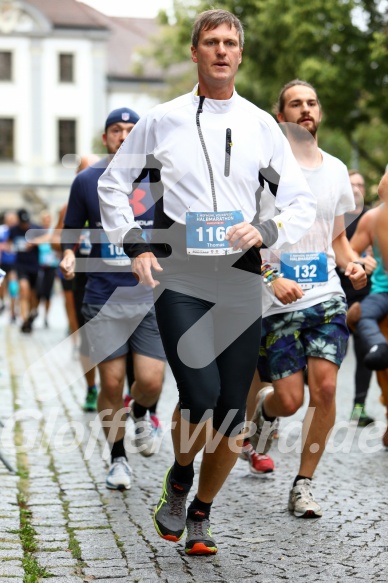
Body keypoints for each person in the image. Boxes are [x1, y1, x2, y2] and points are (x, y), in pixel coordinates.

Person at [98, 10, 316, 555]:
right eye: (211, 42)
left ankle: (199, 511)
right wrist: (136, 245)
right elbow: (113, 184)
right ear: (195, 52)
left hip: (241, 275)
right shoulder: (162, 118)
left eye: (230, 43)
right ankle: (178, 477)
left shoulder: (262, 125)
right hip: (183, 272)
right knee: (199, 394)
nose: (221, 50)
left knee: (231, 412)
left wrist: (265, 228)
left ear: (240, 54)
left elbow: (300, 200)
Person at [249, 79, 367, 518]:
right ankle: (265, 408)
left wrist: (351, 262)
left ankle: (303, 485)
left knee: (327, 387)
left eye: (312, 103)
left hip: (326, 296)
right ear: (280, 116)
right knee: (290, 399)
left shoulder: (336, 170)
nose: (305, 110)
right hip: (277, 299)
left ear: (319, 113)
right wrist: (271, 277)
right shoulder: (263, 172)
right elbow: (246, 240)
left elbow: (337, 238)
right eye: (295, 104)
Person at [60, 107, 166, 491]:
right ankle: (118, 457)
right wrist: (70, 254)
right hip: (103, 296)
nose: (123, 136)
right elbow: (71, 232)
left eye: (131, 130)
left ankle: (141, 411)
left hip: (151, 294)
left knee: (151, 382)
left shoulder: (159, 179)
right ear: (105, 138)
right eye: (116, 130)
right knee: (111, 381)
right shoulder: (88, 180)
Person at [337, 171, 376, 426]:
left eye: (361, 184)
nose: (357, 189)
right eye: (352, 184)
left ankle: (358, 407)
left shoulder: (371, 218)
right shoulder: (336, 218)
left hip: (364, 296)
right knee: (334, 353)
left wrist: (374, 261)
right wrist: (357, 260)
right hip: (337, 294)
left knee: (365, 353)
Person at [348, 173, 388, 370]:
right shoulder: (372, 217)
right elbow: (351, 250)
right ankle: (378, 346)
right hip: (382, 291)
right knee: (362, 314)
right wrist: (362, 261)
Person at [8, 209, 42, 333]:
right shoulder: (13, 230)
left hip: (34, 266)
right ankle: (25, 320)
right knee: (23, 290)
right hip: (20, 266)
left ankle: (32, 313)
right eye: (22, 223)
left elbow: (48, 237)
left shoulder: (36, 228)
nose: (25, 225)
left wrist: (35, 242)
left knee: (34, 295)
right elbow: (9, 243)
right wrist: (9, 248)